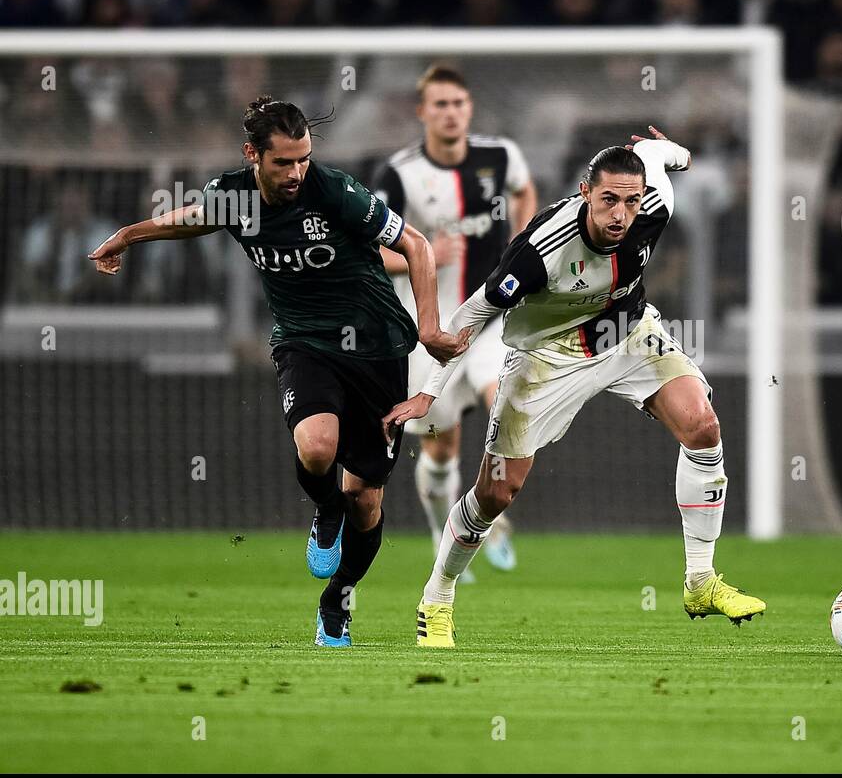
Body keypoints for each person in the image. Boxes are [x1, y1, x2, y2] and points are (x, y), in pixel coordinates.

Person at [88, 97, 466, 648]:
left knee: (369, 505)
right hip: (304, 343)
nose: (297, 173)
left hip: (378, 349)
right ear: (252, 155)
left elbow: (415, 244)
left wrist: (429, 328)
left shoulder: (333, 191)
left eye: (304, 160)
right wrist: (128, 234)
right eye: (284, 162)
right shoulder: (235, 197)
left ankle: (338, 598)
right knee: (316, 450)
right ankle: (325, 510)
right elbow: (188, 222)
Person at [382, 127, 766, 648]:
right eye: (608, 199)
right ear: (585, 191)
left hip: (625, 335)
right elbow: (470, 317)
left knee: (702, 426)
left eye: (629, 202)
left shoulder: (652, 206)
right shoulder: (538, 251)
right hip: (543, 358)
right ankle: (438, 597)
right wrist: (428, 392)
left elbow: (657, 156)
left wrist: (681, 152)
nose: (619, 215)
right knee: (497, 491)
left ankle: (700, 580)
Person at [374, 65, 537, 579]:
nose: (450, 113)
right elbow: (372, 254)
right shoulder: (397, 175)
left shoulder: (500, 156)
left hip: (493, 322)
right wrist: (423, 254)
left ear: (470, 109)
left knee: (505, 408)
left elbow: (524, 190)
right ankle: (441, 533)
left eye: (458, 103)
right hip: (430, 329)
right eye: (439, 104)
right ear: (422, 112)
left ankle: (487, 515)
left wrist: (525, 238)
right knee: (440, 449)